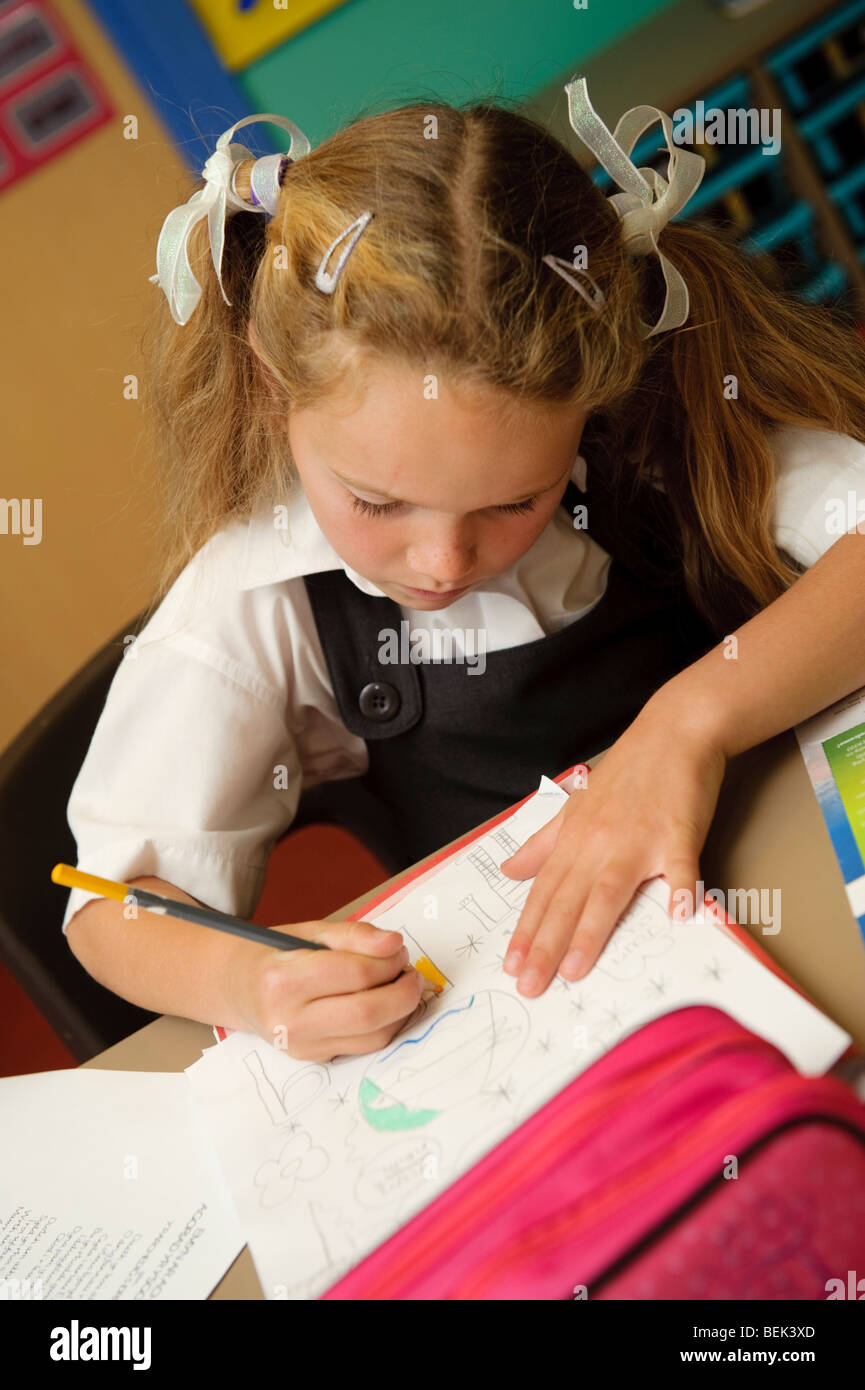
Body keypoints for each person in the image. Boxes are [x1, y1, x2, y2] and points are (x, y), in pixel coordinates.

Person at [63, 78, 865, 1061]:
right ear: (275, 386)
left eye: (512, 504)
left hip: (799, 902)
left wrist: (686, 725)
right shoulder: (257, 603)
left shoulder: (661, 425)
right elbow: (112, 903)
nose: (443, 560)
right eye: (378, 503)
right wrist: (252, 978)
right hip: (560, 1021)